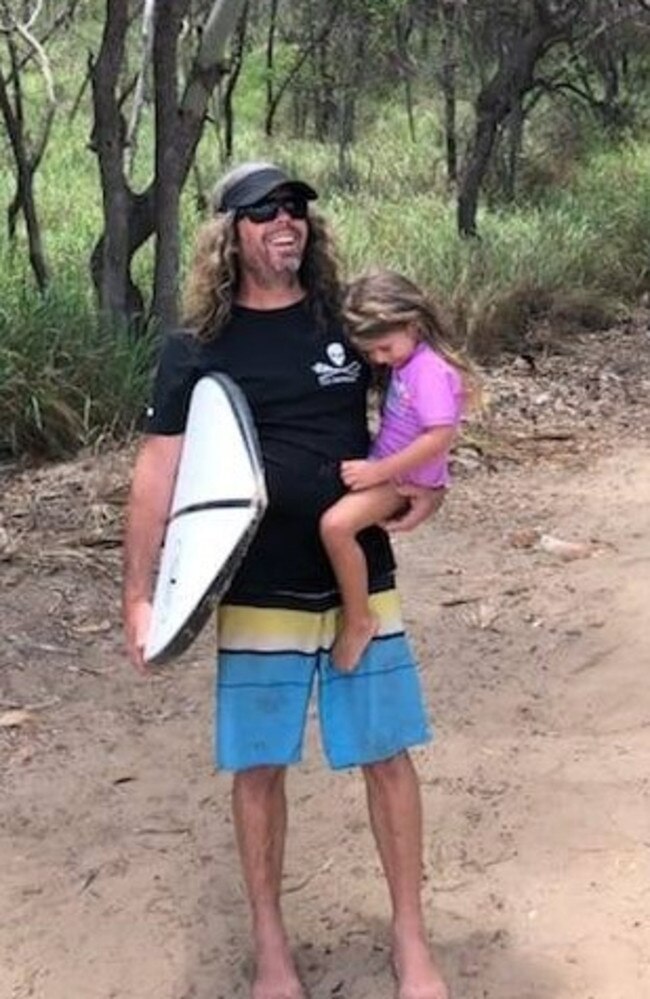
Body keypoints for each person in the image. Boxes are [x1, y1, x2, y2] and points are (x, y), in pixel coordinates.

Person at [122, 161, 449, 999]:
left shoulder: (343, 322)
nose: (286, 219)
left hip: (358, 576)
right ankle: (272, 947)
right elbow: (158, 472)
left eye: (297, 206)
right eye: (263, 209)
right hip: (255, 579)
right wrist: (140, 592)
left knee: (387, 754)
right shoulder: (198, 345)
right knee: (259, 763)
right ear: (230, 232)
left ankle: (411, 939)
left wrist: (425, 488)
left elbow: (423, 394)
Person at [321, 269, 473, 673]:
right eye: (372, 353)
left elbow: (439, 436)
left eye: (384, 348)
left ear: (412, 324)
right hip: (390, 468)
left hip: (402, 477)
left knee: (336, 527)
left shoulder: (429, 370)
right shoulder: (410, 361)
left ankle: (359, 619)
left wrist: (381, 471)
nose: (378, 359)